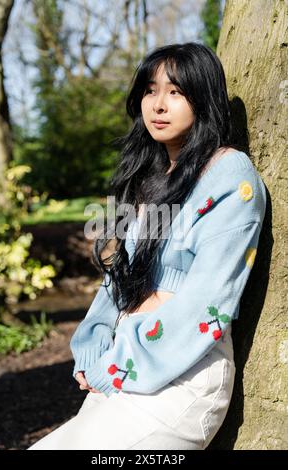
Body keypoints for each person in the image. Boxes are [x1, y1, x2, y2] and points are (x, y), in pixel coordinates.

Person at [28, 42, 266, 450]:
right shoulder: (151, 177)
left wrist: (116, 364)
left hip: (182, 377)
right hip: (126, 366)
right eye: (150, 90)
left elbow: (205, 303)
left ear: (203, 98)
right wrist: (92, 346)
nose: (158, 104)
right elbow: (120, 280)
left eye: (175, 92)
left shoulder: (231, 176)